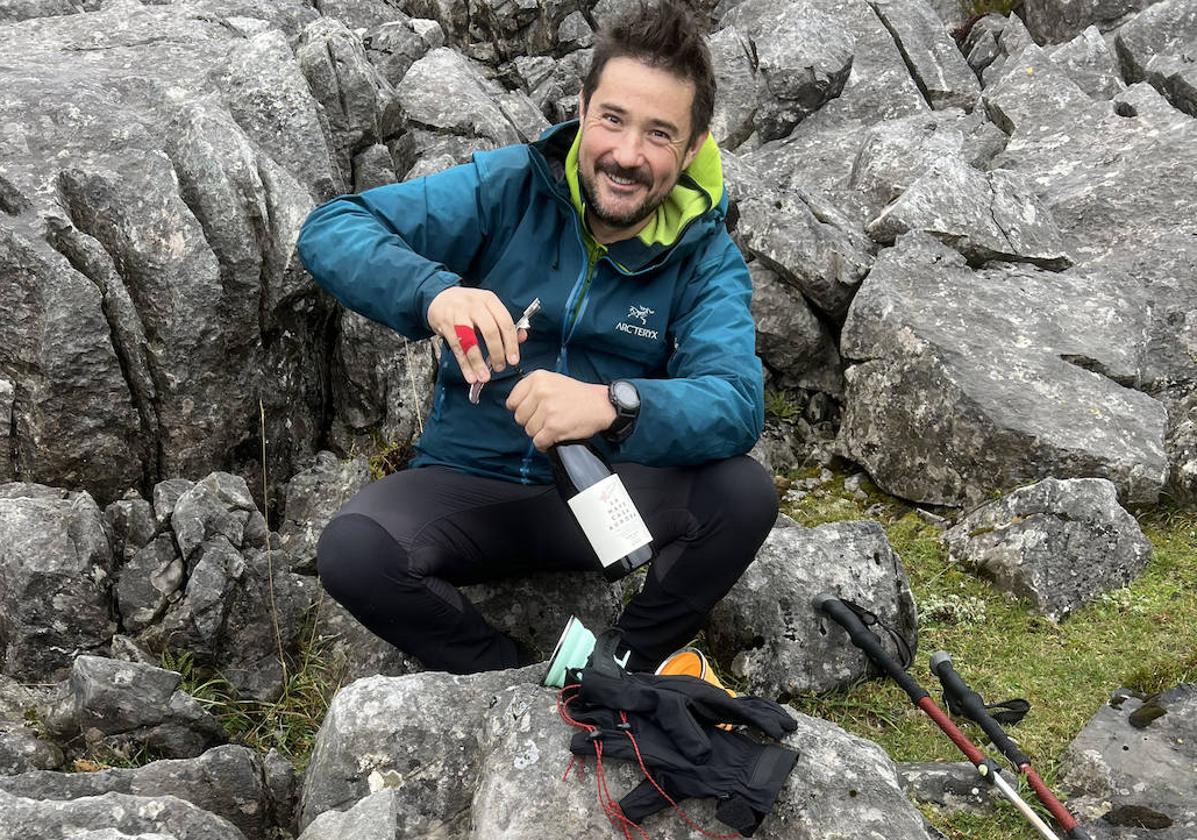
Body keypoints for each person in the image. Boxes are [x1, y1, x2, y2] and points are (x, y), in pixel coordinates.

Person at [296, 0, 777, 676]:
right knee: (355, 550)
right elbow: (332, 228)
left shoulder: (704, 256)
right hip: (465, 483)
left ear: (694, 146)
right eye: (612, 119)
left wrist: (615, 405)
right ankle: (503, 677)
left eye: (659, 133)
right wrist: (434, 293)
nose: (626, 154)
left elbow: (734, 401)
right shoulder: (509, 188)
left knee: (742, 494)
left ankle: (624, 666)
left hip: (603, 494)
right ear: (581, 108)